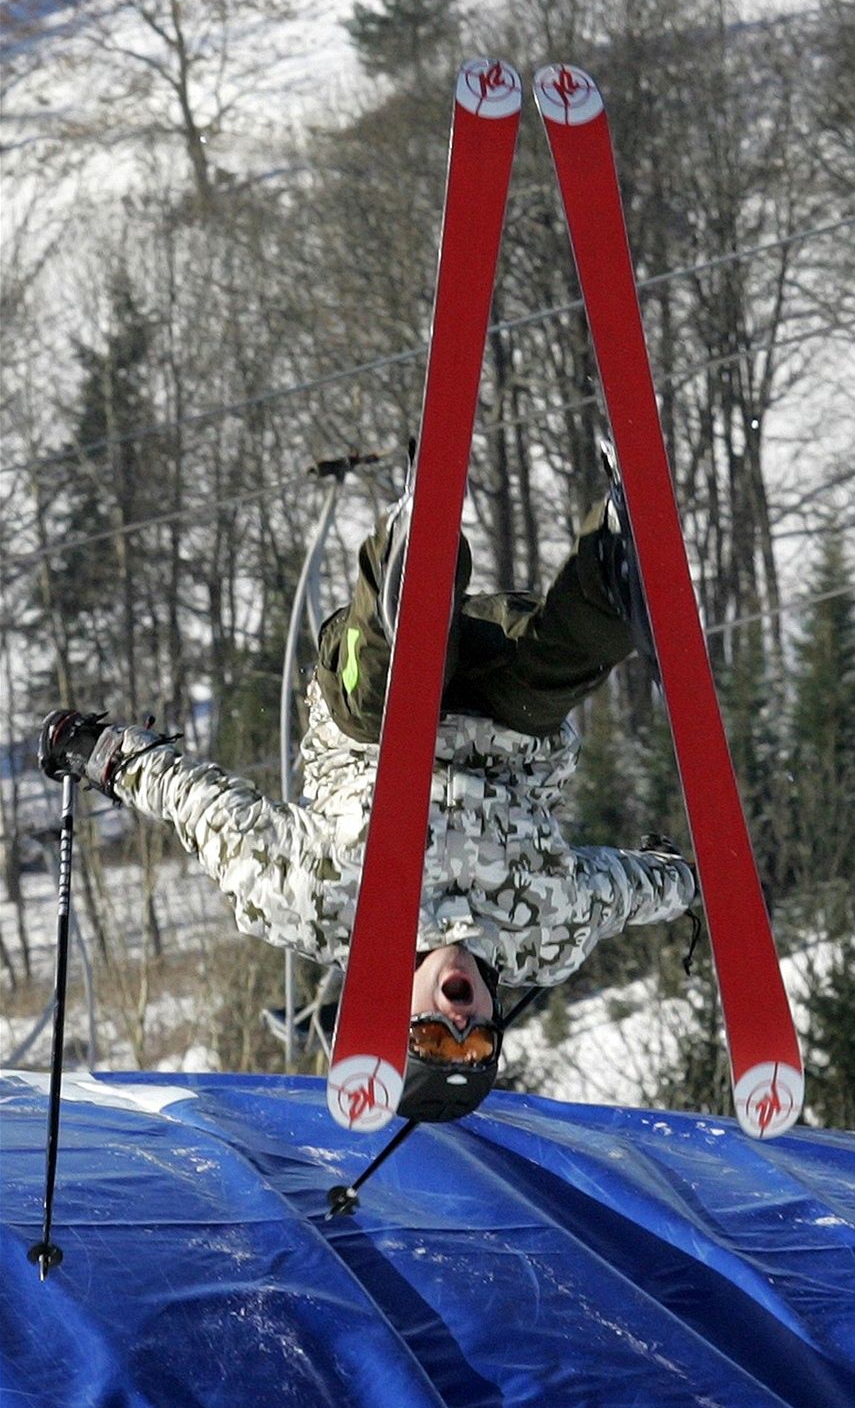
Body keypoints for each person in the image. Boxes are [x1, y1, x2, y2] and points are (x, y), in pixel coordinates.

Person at [39, 478, 696, 1118]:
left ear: (398, 1016)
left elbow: (209, 814)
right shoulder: (548, 933)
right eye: (476, 1040)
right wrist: (693, 884)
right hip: (506, 701)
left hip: (369, 722)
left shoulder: (322, 908)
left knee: (382, 698)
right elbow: (625, 889)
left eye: (434, 1038)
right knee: (556, 681)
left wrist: (104, 755)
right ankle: (612, 566)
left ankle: (410, 569)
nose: (458, 1020)